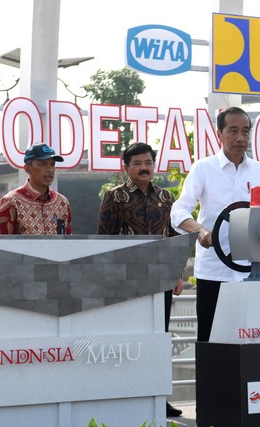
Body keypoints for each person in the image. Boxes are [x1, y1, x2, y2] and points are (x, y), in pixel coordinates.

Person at [170, 106, 260, 342]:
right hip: (214, 271)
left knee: (252, 342)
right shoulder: (203, 168)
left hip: (254, 273)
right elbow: (178, 211)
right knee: (211, 343)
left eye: (246, 131)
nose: (240, 138)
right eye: (233, 131)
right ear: (219, 134)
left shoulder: (259, 171)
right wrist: (200, 231)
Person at [97, 142, 184, 417]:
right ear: (126, 167)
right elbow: (105, 239)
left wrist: (178, 272)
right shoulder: (114, 196)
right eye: (137, 163)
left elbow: (172, 237)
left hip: (161, 278)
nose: (144, 167)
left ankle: (159, 396)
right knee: (130, 339)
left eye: (147, 162)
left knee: (159, 337)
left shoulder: (167, 197)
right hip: (128, 280)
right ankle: (127, 395)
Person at [0, 143, 72, 235]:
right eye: (43, 164)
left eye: (52, 164)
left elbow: (68, 242)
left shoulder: (62, 203)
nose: (50, 169)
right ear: (28, 169)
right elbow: (0, 244)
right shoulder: (10, 202)